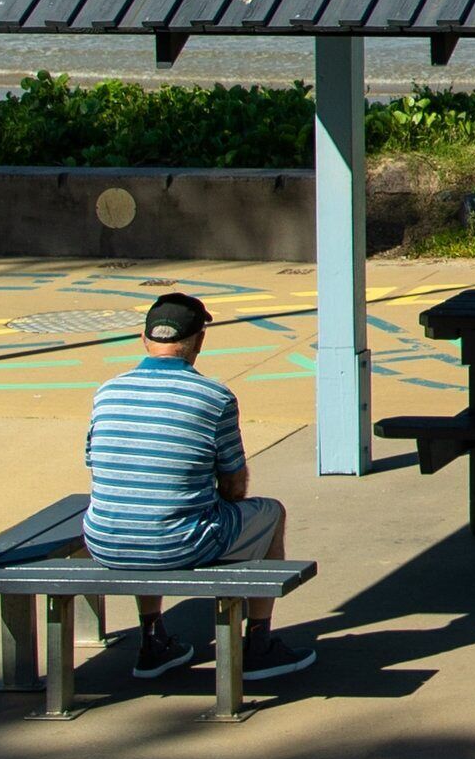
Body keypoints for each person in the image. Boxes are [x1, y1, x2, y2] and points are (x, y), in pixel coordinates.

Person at [82, 292, 316, 682]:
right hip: (181, 543)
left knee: (146, 508)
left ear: (144, 339)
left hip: (104, 540)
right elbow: (235, 484)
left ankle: (153, 638)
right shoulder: (214, 397)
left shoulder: (107, 392)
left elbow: (94, 462)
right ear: (199, 341)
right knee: (271, 513)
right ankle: (259, 644)